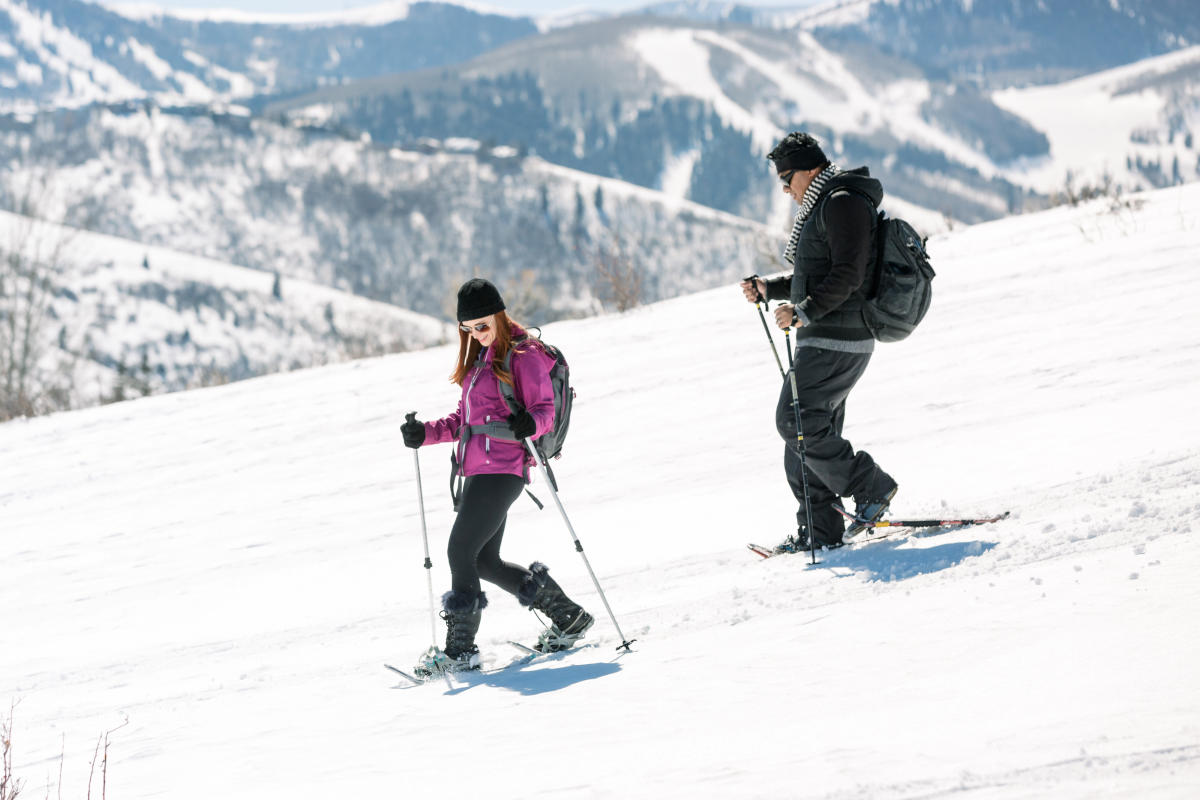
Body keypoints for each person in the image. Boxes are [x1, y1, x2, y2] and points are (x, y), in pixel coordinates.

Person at [400, 278, 594, 675]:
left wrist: (530, 424)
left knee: (459, 552)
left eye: (482, 326)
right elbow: (463, 421)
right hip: (477, 470)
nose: (476, 334)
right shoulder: (479, 363)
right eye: (468, 329)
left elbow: (544, 411)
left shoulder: (526, 355)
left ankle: (460, 652)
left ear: (500, 316)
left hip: (505, 469)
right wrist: (426, 434)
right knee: (484, 561)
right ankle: (569, 617)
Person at [740, 132, 898, 552]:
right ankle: (821, 531)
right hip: (827, 337)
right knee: (803, 436)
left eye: (787, 178)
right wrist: (769, 288)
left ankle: (871, 486)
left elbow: (849, 273)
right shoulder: (823, 204)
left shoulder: (842, 201)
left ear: (811, 170)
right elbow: (816, 276)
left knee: (795, 421)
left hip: (840, 337)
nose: (786, 190)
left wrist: (804, 310)